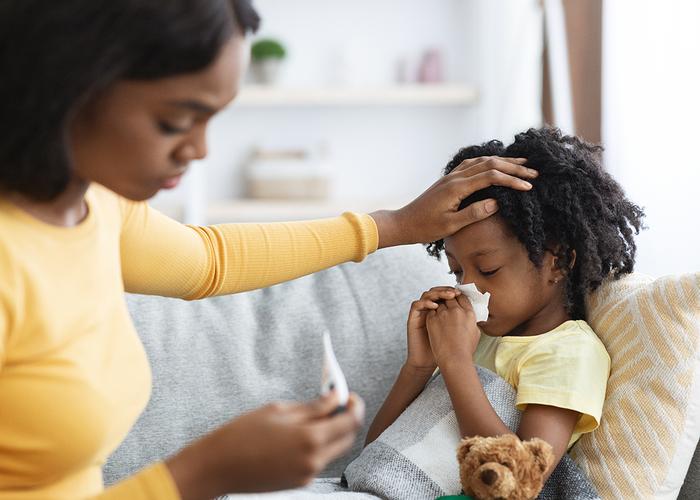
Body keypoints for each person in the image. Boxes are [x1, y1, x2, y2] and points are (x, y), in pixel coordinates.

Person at [0, 1, 540, 499]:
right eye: (175, 121)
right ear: (69, 81)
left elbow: (207, 261)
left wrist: (395, 224)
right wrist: (200, 474)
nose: (200, 149)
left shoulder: (94, 206)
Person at [365, 127, 645, 477]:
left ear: (557, 261)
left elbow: (521, 477)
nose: (468, 288)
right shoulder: (478, 340)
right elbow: (374, 460)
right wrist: (419, 368)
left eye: (488, 269)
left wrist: (455, 363)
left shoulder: (568, 352)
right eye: (457, 271)